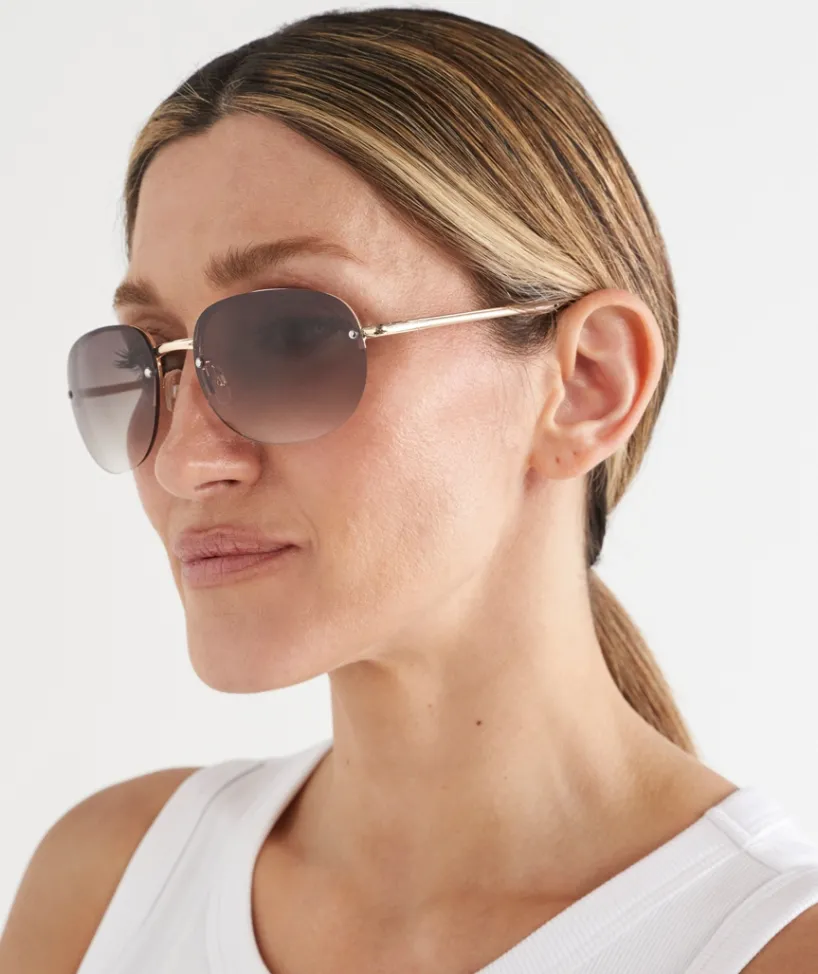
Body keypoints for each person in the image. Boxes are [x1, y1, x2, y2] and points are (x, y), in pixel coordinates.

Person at [2, 7, 817, 973]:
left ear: (587, 386)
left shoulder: (769, 948)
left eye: (287, 342)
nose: (185, 461)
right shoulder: (107, 888)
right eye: (145, 361)